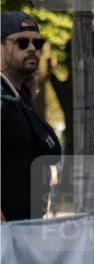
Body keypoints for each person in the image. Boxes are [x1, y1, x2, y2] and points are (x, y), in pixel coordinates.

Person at [1, 11, 62, 221]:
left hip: (27, 225)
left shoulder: (19, 96)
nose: (31, 49)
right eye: (22, 42)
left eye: (37, 44)